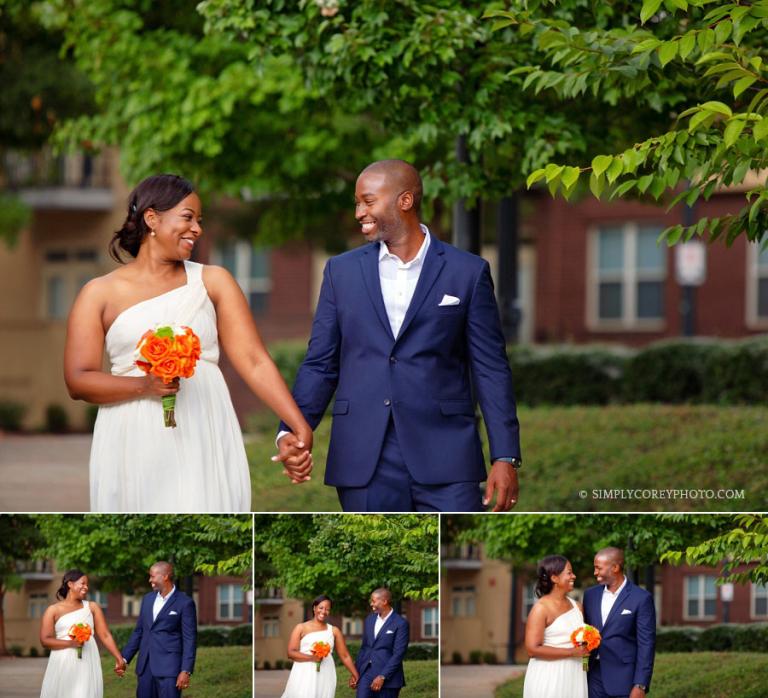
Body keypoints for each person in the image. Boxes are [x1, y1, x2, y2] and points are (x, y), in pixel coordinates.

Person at [276, 159, 521, 512]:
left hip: (447, 456)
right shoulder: (340, 272)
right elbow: (320, 364)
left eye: (368, 201)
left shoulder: (467, 272)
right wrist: (291, 429)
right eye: (357, 203)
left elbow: (491, 369)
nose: (359, 211)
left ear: (404, 201)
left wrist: (505, 455)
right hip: (364, 458)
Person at [64, 173, 313, 512]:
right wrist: (145, 385)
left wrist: (297, 426)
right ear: (152, 218)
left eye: (200, 220)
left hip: (204, 424)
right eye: (188, 217)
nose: (197, 229)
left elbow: (254, 360)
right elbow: (78, 380)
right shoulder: (98, 293)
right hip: (132, 434)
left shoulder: (214, 282)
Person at [39, 569, 126, 698]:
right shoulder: (53, 610)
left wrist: (119, 658)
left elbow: (105, 634)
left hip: (87, 660)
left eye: (87, 584)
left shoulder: (92, 607)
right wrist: (71, 643)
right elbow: (45, 640)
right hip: (63, 662)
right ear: (70, 584)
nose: (86, 587)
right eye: (83, 583)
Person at [583, 547, 656, 698]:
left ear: (615, 567)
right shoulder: (590, 595)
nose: (595, 572)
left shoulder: (641, 598)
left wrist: (640, 684)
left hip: (624, 680)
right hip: (593, 678)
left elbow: (646, 644)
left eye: (598, 568)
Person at [121, 561, 197, 698]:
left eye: (153, 576)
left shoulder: (185, 602)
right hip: (145, 668)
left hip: (170, 669)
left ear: (165, 576)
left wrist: (186, 670)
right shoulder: (147, 599)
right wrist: (124, 659)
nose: (150, 580)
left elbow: (189, 638)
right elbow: (139, 631)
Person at [523, 556, 589, 698]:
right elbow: (532, 649)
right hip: (550, 676)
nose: (574, 576)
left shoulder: (578, 607)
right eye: (569, 572)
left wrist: (585, 661)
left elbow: (583, 645)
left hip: (576, 676)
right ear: (555, 578)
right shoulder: (541, 608)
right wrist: (572, 652)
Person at [280, 594, 359, 698]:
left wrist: (355, 674)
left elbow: (345, 656)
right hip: (304, 672)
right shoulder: (301, 628)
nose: (323, 611)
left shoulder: (334, 631)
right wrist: (313, 658)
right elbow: (291, 653)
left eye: (327, 609)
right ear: (314, 608)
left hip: (326, 673)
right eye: (321, 608)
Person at [354, 588, 409, 698]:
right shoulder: (369, 620)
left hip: (389, 678)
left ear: (384, 601)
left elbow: (398, 654)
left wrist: (383, 676)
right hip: (366, 673)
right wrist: (355, 673)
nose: (371, 604)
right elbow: (364, 648)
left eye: (374, 601)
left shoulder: (401, 623)